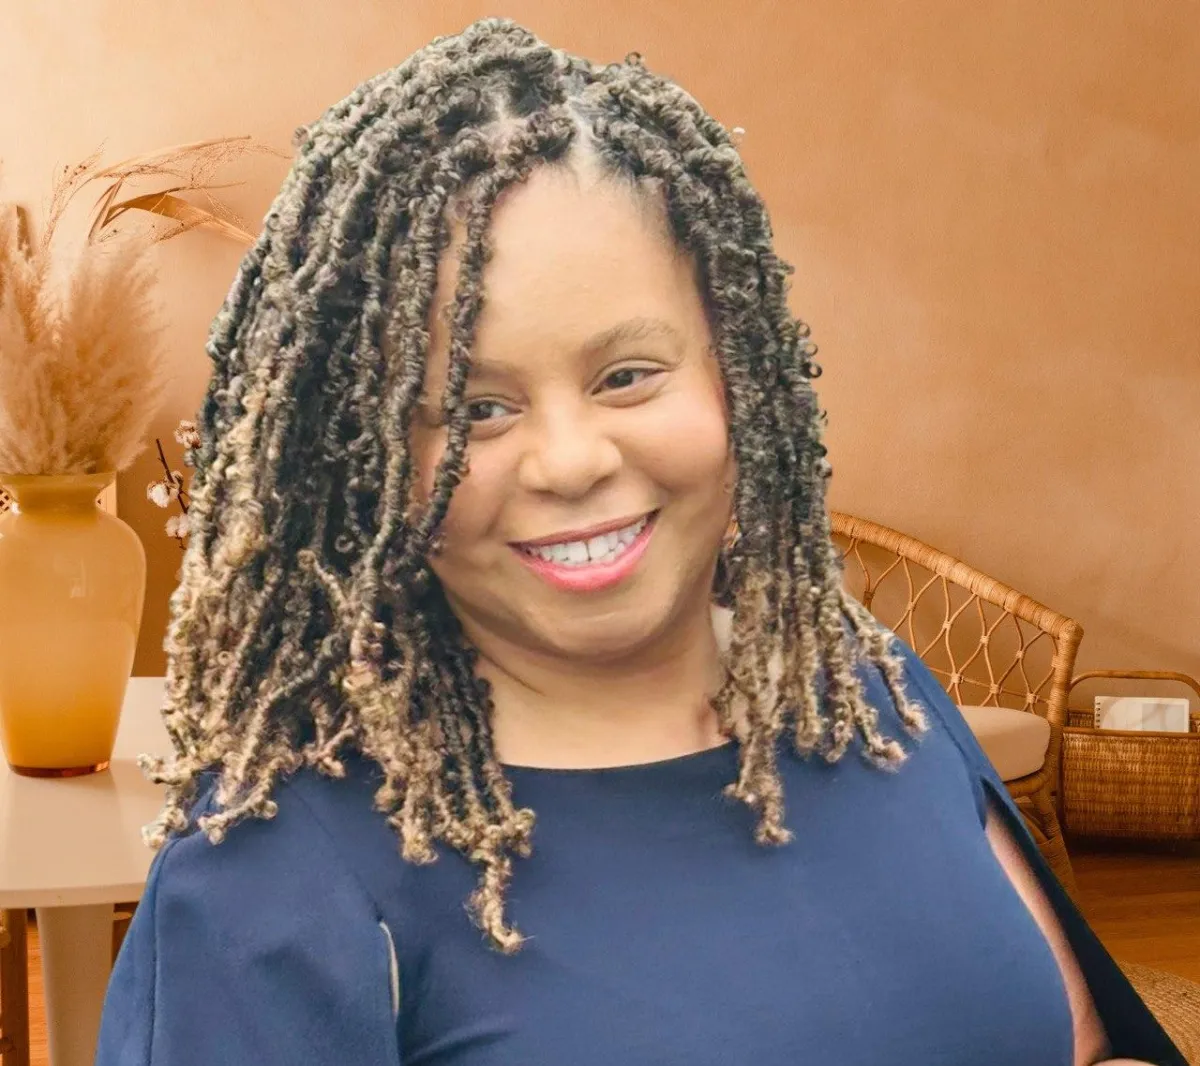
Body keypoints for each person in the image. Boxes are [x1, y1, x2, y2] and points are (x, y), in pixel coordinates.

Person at [95, 18, 1182, 1066]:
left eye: (626, 375)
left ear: (737, 373)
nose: (570, 461)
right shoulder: (274, 870)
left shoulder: (866, 692)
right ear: (367, 457)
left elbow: (1084, 1046)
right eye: (474, 410)